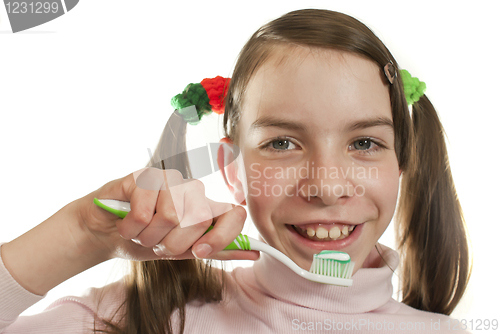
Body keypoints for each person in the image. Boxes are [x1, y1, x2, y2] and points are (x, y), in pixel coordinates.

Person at [0, 8, 471, 334]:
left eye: (365, 143)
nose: (327, 187)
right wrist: (82, 234)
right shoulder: (137, 319)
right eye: (282, 143)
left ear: (400, 164)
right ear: (232, 170)